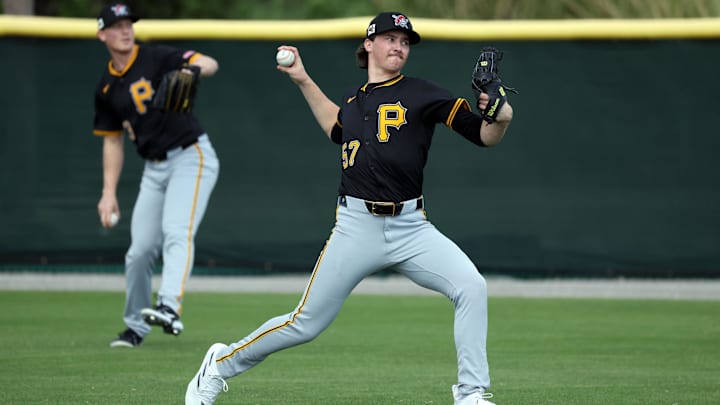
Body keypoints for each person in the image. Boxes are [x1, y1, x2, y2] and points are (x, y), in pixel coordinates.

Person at [185, 11, 512, 405]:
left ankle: (471, 394)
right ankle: (220, 363)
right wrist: (302, 78)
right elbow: (334, 127)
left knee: (471, 287)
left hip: (412, 226)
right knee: (305, 323)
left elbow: (484, 135)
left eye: (406, 42)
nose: (399, 46)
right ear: (369, 44)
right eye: (391, 38)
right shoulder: (355, 102)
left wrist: (501, 114)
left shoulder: (423, 92)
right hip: (356, 226)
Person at [93, 3, 220, 348]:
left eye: (128, 24)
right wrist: (108, 192)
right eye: (116, 25)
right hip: (154, 167)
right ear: (102, 34)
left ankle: (168, 306)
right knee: (139, 252)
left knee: (176, 231)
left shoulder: (157, 57)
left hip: (191, 156)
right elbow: (113, 142)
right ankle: (135, 326)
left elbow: (209, 62)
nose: (125, 30)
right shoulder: (107, 87)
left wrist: (193, 71)